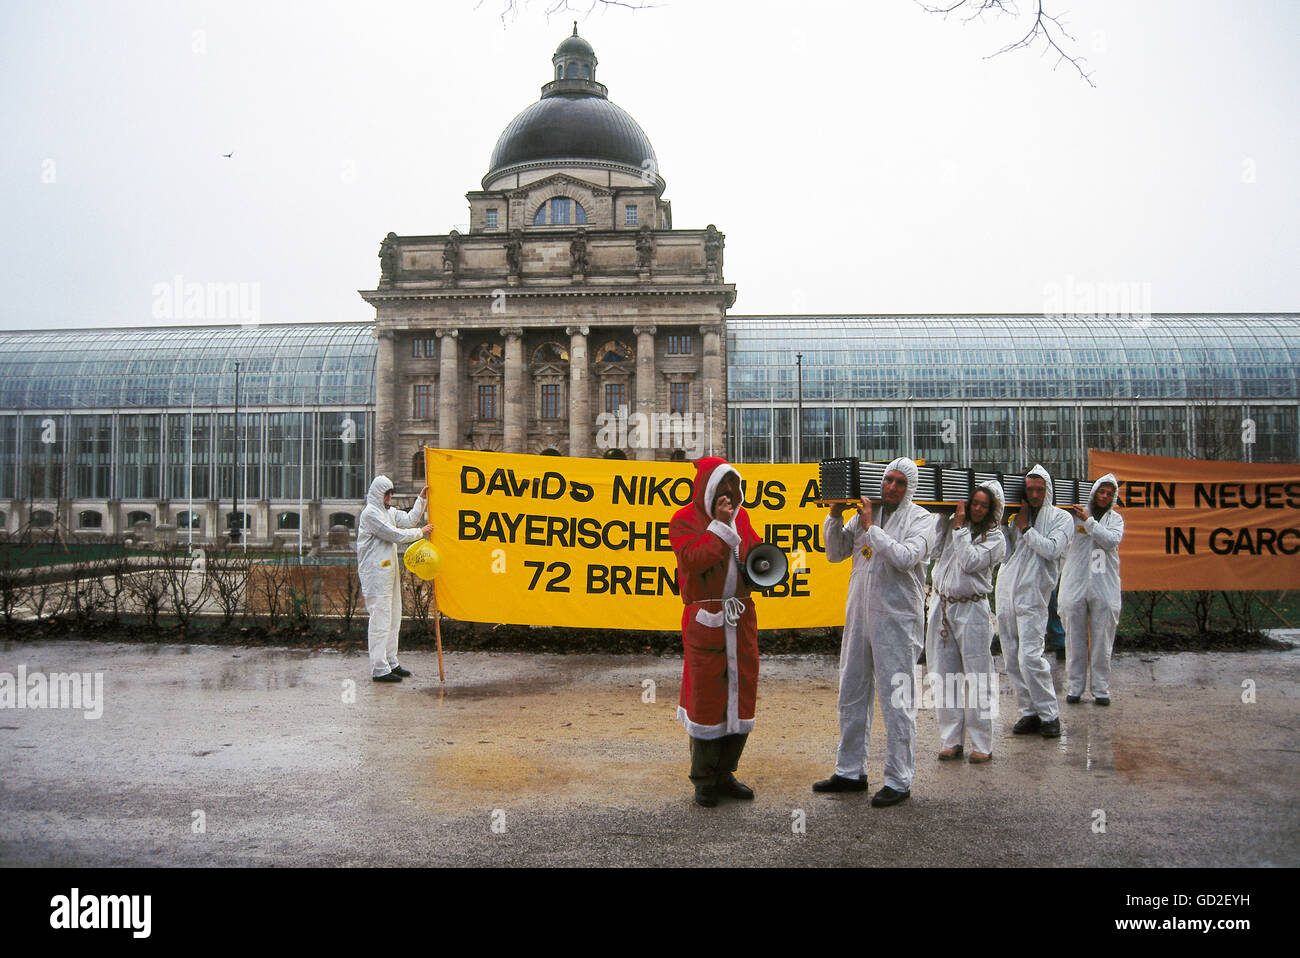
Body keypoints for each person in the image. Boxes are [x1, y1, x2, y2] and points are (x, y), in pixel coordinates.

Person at [814, 457, 936, 807]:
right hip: (860, 616)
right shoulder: (867, 514)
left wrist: (871, 528)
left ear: (909, 486)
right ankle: (850, 771)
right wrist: (835, 515)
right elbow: (835, 553)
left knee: (897, 699)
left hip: (897, 620)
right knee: (851, 690)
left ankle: (899, 778)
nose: (891, 487)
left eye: (899, 482)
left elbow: (905, 557)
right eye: (887, 480)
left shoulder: (922, 519)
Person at [669, 457, 762, 808]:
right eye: (723, 491)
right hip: (705, 617)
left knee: (740, 694)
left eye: (733, 490)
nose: (730, 498)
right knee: (707, 697)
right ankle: (704, 779)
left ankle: (726, 773)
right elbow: (693, 560)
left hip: (740, 617)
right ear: (708, 491)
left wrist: (760, 568)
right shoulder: (683, 520)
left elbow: (753, 554)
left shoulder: (744, 517)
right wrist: (720, 526)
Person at [925, 480, 1006, 764]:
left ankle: (983, 742)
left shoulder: (996, 538)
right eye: (975, 503)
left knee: (978, 675)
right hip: (942, 605)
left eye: (985, 505)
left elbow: (970, 562)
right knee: (943, 675)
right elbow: (933, 551)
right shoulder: (952, 525)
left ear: (993, 508)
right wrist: (941, 518)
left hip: (973, 609)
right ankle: (951, 740)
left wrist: (958, 529)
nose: (978, 509)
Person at [995, 464, 1072, 738]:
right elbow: (1006, 554)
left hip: (1033, 596)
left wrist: (1025, 527)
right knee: (1012, 658)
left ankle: (1050, 714)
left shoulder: (1062, 519)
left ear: (1048, 490)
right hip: (1006, 593)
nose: (1036, 493)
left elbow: (1051, 550)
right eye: (1030, 489)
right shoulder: (1019, 518)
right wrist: (1005, 525)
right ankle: (1029, 712)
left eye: (1040, 489)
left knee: (1030, 657)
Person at [357, 476, 432, 683]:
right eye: (387, 494)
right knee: (380, 620)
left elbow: (408, 520)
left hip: (388, 572)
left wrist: (421, 499)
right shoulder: (370, 514)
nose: (390, 497)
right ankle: (379, 668)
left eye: (391, 494)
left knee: (393, 617)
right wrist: (421, 532)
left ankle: (391, 660)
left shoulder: (388, 512)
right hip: (375, 574)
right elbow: (394, 534)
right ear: (378, 494)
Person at [1059, 474, 1124, 706]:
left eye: (1109, 493)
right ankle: (1075, 687)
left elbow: (1110, 541)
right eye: (1101, 491)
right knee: (1074, 639)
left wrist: (1089, 522)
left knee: (1102, 640)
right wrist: (1082, 519)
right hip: (1074, 582)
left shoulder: (1115, 519)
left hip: (1104, 585)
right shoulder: (1073, 516)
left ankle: (1101, 689)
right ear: (1094, 491)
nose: (1104, 496)